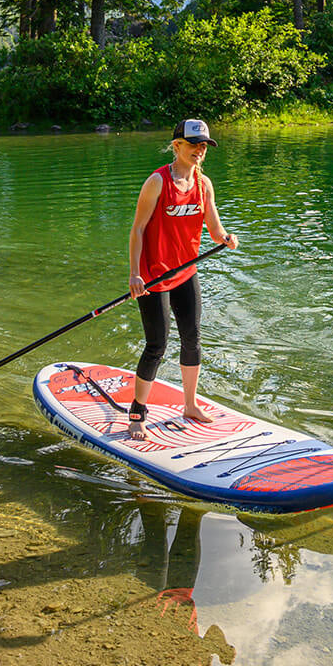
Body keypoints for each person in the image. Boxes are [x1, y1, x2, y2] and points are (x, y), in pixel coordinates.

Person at [127, 118, 238, 435]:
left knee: (192, 339)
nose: (199, 151)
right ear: (177, 146)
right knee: (157, 344)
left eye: (203, 146)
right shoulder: (157, 182)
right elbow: (137, 230)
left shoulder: (204, 185)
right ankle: (137, 412)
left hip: (186, 272)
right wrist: (135, 274)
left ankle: (190, 404)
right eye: (193, 145)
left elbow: (214, 230)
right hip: (153, 276)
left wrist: (226, 238)